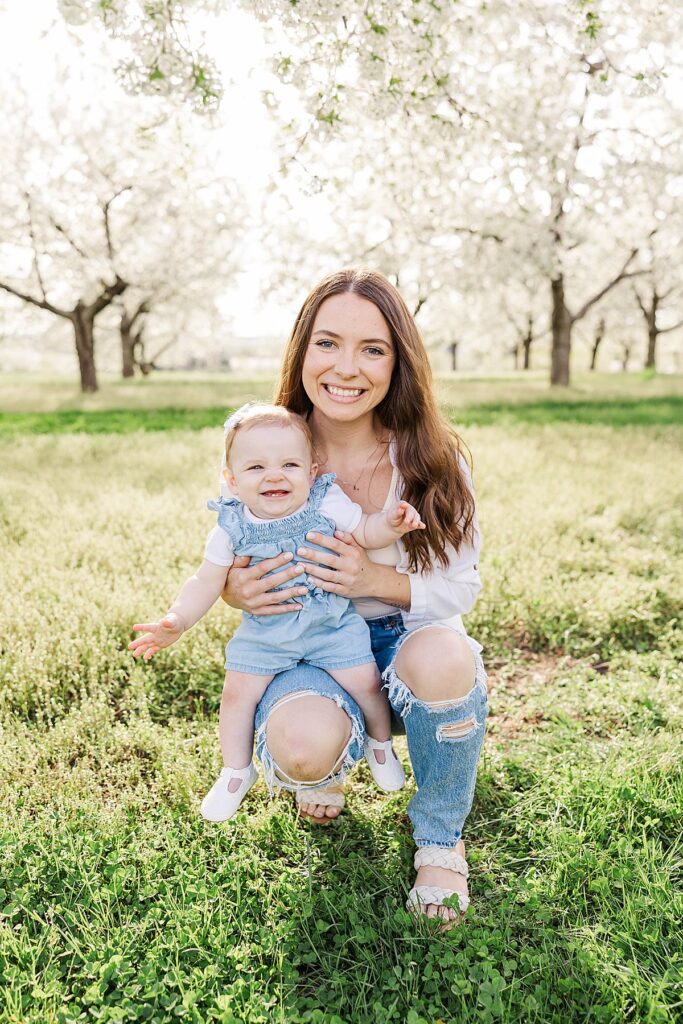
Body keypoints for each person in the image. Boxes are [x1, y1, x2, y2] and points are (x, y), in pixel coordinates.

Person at [222, 268, 487, 926]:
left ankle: (438, 838)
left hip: (405, 643)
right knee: (304, 749)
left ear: (398, 363)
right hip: (308, 650)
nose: (346, 367)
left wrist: (372, 580)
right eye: (327, 343)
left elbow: (461, 584)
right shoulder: (266, 444)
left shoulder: (429, 459)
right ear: (301, 351)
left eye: (372, 349)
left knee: (445, 659)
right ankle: (330, 762)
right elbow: (226, 547)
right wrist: (232, 589)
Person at [129, 402, 426, 821]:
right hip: (266, 634)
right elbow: (206, 582)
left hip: (331, 624)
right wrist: (176, 621)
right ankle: (236, 770)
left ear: (312, 471)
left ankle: (380, 745)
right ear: (231, 481)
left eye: (289, 464)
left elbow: (365, 530)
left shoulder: (326, 501)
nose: (274, 475)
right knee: (236, 696)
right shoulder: (230, 527)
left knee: (367, 685)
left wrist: (391, 524)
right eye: (255, 468)